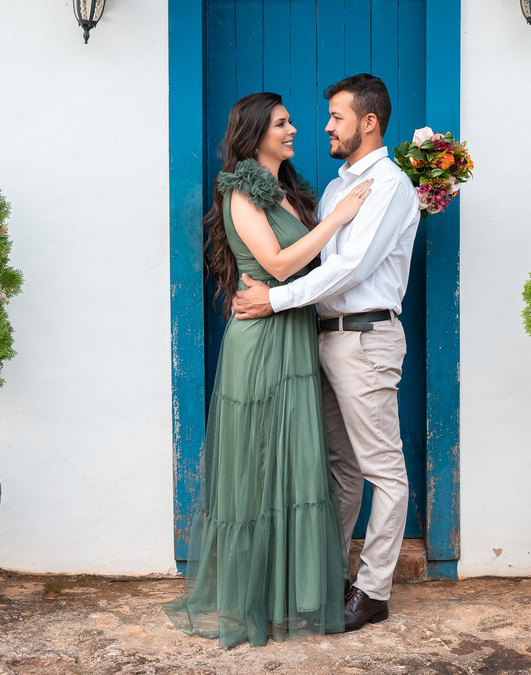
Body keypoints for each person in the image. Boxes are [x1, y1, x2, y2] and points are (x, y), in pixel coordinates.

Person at [164, 92, 373, 648]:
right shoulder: (239, 190)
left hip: (295, 337)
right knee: (259, 463)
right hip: (260, 343)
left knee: (292, 464)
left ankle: (288, 593)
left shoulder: (288, 193)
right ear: (255, 133)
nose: (295, 129)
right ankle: (251, 599)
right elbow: (279, 264)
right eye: (282, 123)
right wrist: (340, 218)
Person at [232, 74, 420, 632]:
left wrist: (276, 300)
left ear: (368, 122)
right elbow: (314, 255)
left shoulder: (388, 186)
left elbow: (350, 267)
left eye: (336, 117)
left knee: (382, 469)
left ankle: (373, 589)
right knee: (339, 468)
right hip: (325, 337)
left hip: (365, 337)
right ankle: (328, 574)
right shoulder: (340, 189)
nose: (325, 127)